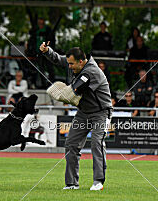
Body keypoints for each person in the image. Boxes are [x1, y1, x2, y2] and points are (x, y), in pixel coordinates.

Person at [40, 43, 112, 191]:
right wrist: (47, 51)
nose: (69, 67)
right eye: (69, 64)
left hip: (101, 113)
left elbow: (74, 91)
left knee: (96, 143)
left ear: (81, 61)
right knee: (71, 144)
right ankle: (72, 184)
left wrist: (62, 94)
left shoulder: (92, 72)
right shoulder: (75, 64)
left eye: (72, 64)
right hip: (83, 113)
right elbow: (60, 60)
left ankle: (98, 181)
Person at [29, 18, 55, 88]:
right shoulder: (35, 30)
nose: (40, 24)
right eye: (39, 23)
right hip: (38, 52)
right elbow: (32, 39)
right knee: (40, 68)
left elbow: (51, 39)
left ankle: (51, 83)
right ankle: (43, 84)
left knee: (49, 67)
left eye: (41, 23)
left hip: (47, 51)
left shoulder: (48, 29)